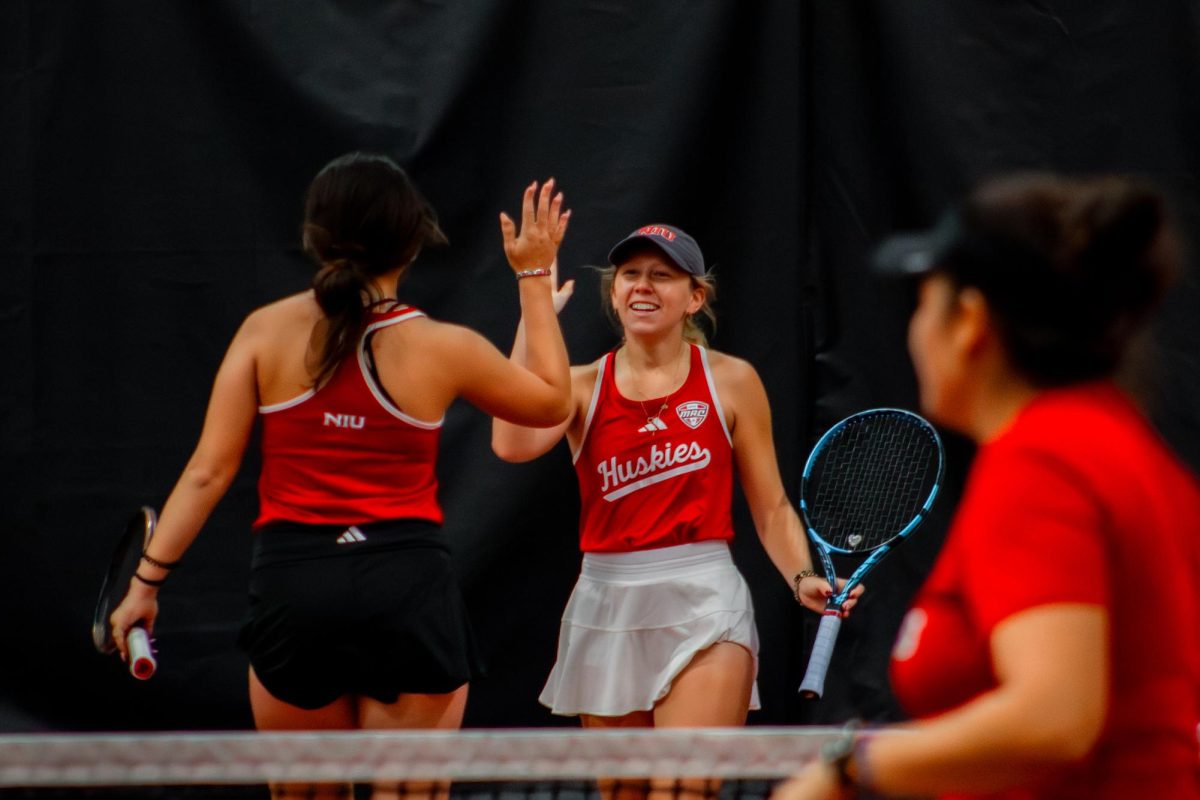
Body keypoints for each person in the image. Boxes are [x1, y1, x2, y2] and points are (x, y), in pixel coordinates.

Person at [108, 153, 573, 800]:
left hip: (296, 590)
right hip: (405, 588)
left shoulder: (264, 332)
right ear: (412, 243)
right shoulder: (445, 347)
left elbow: (208, 474)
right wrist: (532, 275)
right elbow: (554, 402)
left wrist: (145, 585)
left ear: (316, 237)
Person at [773, 173, 1200, 799]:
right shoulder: (1130, 450)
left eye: (923, 300)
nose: (915, 330)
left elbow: (1053, 718)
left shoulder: (1042, 460)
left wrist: (847, 768)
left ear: (970, 320)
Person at [491, 225, 861, 771]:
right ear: (614, 293)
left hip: (705, 599)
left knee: (685, 787)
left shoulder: (731, 380)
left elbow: (773, 507)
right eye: (631, 275)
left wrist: (803, 578)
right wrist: (535, 307)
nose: (643, 286)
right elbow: (511, 442)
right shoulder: (582, 385)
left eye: (662, 275)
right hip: (606, 602)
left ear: (694, 297)